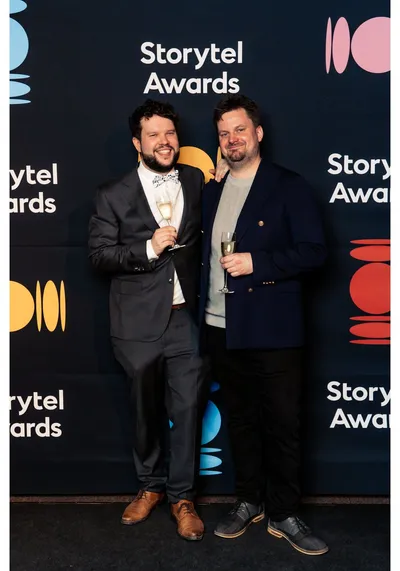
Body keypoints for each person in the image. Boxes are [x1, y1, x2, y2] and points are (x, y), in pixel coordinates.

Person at [199, 94, 329, 555]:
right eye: (224, 134)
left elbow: (315, 252)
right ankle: (248, 500)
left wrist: (259, 263)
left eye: (240, 130)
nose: (232, 139)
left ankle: (285, 512)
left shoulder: (289, 186)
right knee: (241, 420)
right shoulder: (212, 190)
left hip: (273, 328)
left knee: (282, 424)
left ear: (258, 133)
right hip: (221, 326)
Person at [88, 99, 207, 541]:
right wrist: (148, 249)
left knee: (188, 410)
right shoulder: (112, 193)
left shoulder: (196, 179)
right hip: (136, 324)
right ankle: (150, 486)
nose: (164, 141)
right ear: (137, 143)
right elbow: (100, 256)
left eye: (170, 133)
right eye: (153, 134)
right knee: (143, 411)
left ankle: (183, 497)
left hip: (186, 320)